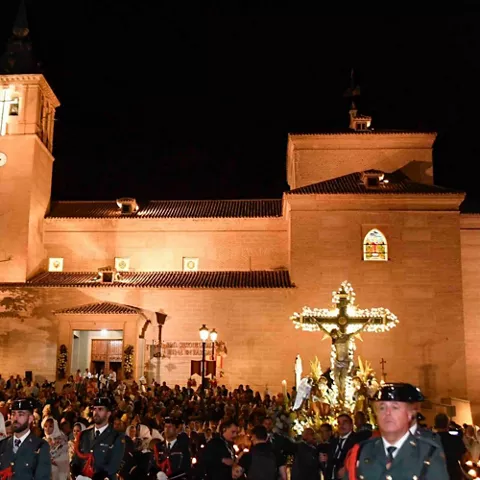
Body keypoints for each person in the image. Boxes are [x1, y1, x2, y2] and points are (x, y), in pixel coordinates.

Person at [343, 383, 449, 480]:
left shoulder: (428, 453)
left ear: (409, 414)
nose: (388, 413)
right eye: (382, 408)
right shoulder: (361, 451)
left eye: (395, 407)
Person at [70, 396, 125, 480]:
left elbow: (114, 465)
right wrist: (75, 470)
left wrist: (100, 476)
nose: (96, 412)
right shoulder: (84, 435)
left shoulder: (116, 437)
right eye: (94, 409)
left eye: (100, 409)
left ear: (108, 413)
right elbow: (76, 458)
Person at [0, 398, 51, 479]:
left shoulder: (40, 446)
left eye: (21, 414)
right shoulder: (2, 445)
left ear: (30, 418)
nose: (15, 418)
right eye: (13, 414)